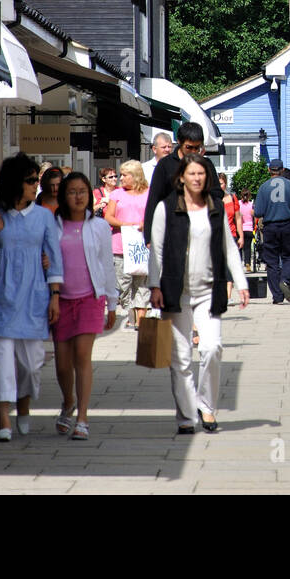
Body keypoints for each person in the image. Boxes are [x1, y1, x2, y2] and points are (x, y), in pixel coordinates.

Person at [150, 154, 248, 434]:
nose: (196, 178)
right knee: (180, 358)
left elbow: (229, 247)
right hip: (175, 291)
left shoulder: (215, 207)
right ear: (181, 177)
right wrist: (154, 286)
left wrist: (241, 283)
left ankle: (206, 406)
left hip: (209, 289)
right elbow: (156, 251)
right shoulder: (166, 207)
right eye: (191, 173)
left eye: (201, 174)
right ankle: (185, 415)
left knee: (211, 348)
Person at [0, 153, 64, 441]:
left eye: (37, 180)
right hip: (0, 297)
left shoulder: (44, 217)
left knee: (31, 364)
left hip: (34, 298)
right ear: (15, 182)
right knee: (1, 364)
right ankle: (3, 421)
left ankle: (23, 408)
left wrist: (55, 296)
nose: (36, 185)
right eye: (31, 181)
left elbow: (55, 258)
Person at [52, 172, 117, 440]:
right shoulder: (53, 225)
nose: (78, 197)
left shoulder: (99, 226)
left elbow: (107, 265)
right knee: (62, 363)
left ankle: (82, 416)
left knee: (82, 356)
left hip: (91, 297)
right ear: (63, 196)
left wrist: (112, 302)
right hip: (59, 299)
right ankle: (68, 402)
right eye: (72, 191)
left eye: (82, 191)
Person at [254, 158, 290, 304]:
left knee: (271, 261)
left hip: (270, 227)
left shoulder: (263, 187)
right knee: (289, 257)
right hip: (287, 226)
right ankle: (285, 281)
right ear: (282, 170)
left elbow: (258, 211)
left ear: (269, 170)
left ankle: (277, 296)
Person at [105, 159, 150, 329]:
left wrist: (145, 224)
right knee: (123, 285)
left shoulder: (148, 193)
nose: (120, 178)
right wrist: (125, 225)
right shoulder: (117, 194)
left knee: (142, 283)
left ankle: (141, 319)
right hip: (120, 245)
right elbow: (108, 216)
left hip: (141, 246)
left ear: (135, 176)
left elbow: (154, 214)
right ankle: (131, 312)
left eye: (124, 175)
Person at [143, 122, 205, 242]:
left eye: (197, 148)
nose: (193, 151)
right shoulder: (165, 164)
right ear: (180, 142)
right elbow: (154, 199)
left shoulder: (206, 165)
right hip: (170, 228)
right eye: (189, 147)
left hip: (199, 229)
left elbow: (217, 193)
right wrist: (149, 236)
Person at [238, 190, 255, 266]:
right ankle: (247, 263)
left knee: (239, 247)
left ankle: (238, 263)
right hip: (249, 229)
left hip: (240, 229)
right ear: (249, 196)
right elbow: (254, 217)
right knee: (247, 248)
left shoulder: (238, 204)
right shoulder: (251, 205)